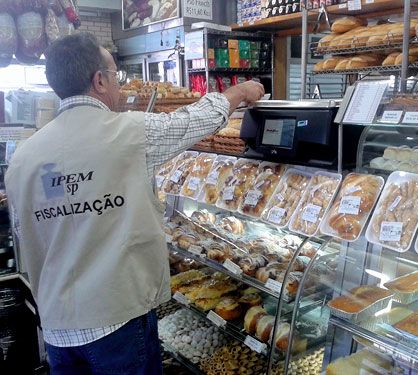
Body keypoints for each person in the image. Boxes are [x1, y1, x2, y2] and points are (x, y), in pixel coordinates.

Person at [5, 33, 264, 375]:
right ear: (98, 80)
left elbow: (27, 236)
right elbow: (195, 120)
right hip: (117, 322)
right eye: (115, 76)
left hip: (56, 325)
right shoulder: (129, 133)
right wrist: (241, 92)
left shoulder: (23, 158)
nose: (119, 87)